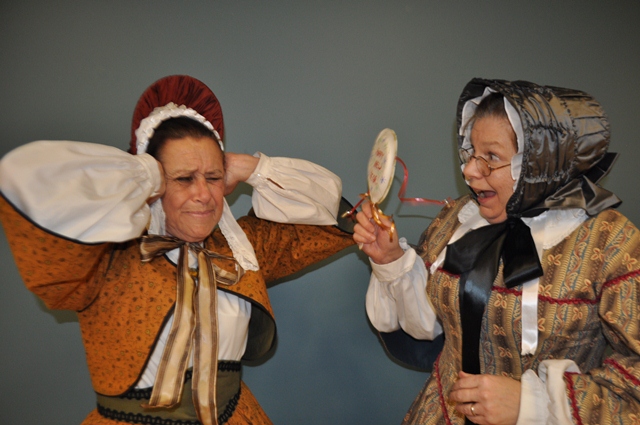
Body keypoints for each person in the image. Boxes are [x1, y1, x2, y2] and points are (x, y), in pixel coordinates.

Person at [0, 75, 354, 425]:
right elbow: (28, 183)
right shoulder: (105, 258)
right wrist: (146, 175)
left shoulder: (241, 249)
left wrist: (251, 167)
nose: (203, 194)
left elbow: (335, 218)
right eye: (184, 178)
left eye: (213, 178)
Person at [354, 78, 640, 424]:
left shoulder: (607, 241)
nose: (470, 171)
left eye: (491, 157)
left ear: (541, 163)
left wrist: (534, 404)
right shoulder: (459, 220)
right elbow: (427, 327)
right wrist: (391, 262)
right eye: (471, 153)